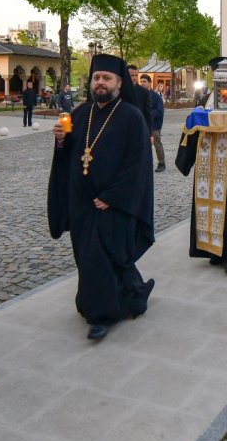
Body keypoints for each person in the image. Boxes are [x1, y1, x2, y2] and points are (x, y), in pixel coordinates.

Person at [49, 54, 155, 340]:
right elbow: (70, 154)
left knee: (104, 256)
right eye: (97, 78)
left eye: (106, 78)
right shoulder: (81, 114)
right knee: (88, 256)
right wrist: (60, 141)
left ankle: (101, 314)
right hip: (82, 200)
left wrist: (113, 196)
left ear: (119, 83)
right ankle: (134, 291)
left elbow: (139, 164)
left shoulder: (132, 117)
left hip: (113, 202)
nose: (100, 83)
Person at [176, 106, 227, 275]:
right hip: (207, 173)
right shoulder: (208, 106)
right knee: (208, 211)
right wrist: (194, 114)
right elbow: (192, 126)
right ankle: (213, 251)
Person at [140, 73, 167, 172]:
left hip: (154, 126)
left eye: (144, 82)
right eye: (141, 81)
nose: (142, 83)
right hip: (142, 125)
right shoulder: (139, 95)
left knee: (157, 144)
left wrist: (147, 113)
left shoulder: (156, 97)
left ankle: (161, 163)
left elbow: (159, 112)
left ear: (150, 83)